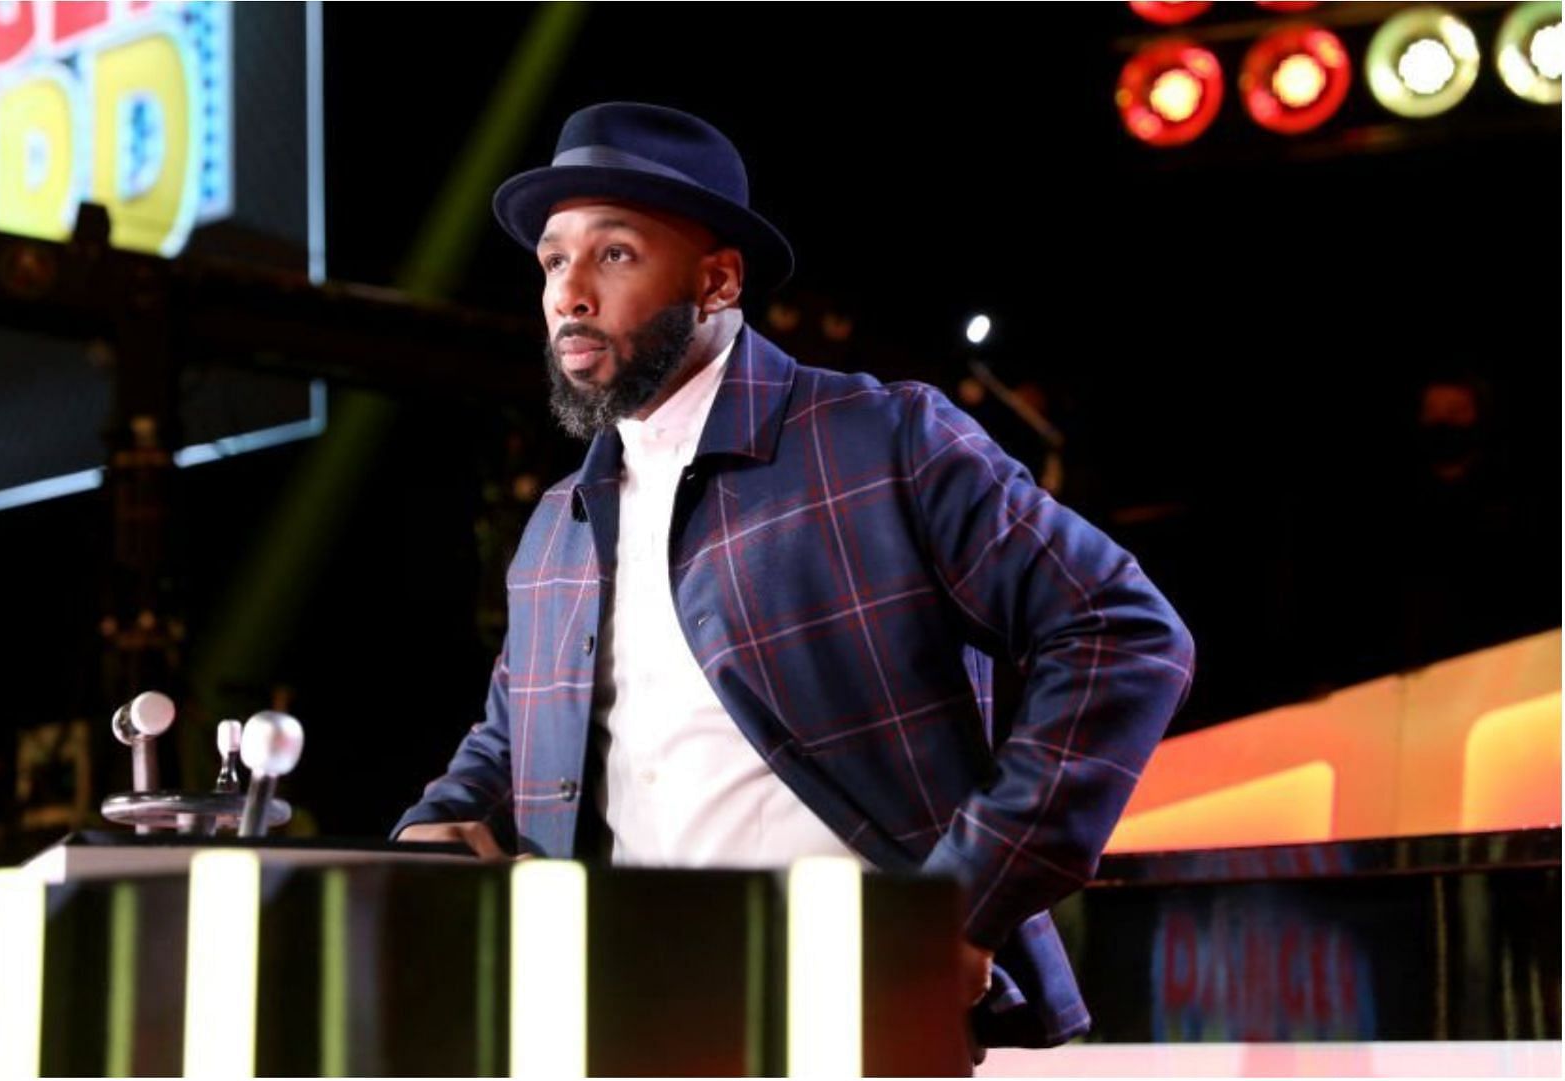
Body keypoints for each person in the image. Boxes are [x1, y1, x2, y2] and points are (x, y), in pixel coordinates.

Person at [393, 102, 1194, 1050]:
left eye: (613, 254)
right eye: (553, 259)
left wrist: (964, 899)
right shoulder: (559, 521)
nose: (570, 292)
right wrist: (434, 828)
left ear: (718, 279)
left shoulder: (881, 438)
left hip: (854, 1004)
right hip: (626, 1003)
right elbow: (514, 732)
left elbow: (1123, 633)